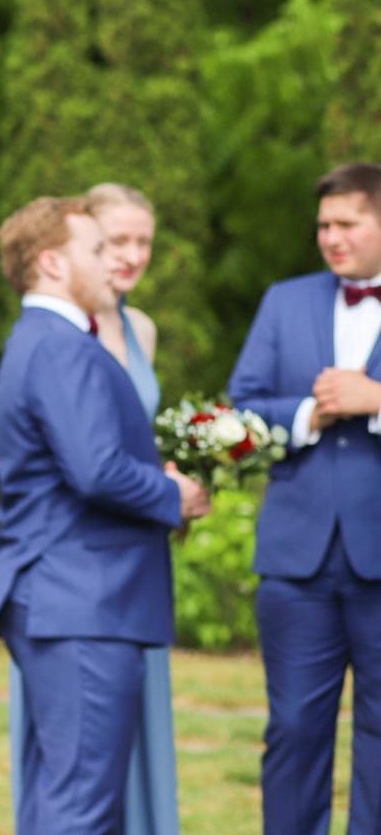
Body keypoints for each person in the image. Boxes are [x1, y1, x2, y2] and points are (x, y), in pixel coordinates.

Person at [0, 196, 210, 833]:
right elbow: (96, 469)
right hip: (82, 598)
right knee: (81, 807)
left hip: (68, 597)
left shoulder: (43, 340)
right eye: (96, 249)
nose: (111, 262)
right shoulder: (62, 347)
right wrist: (175, 496)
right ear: (53, 263)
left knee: (61, 798)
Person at [228, 162, 381, 835]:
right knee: (292, 729)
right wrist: (306, 416)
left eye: (347, 223)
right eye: (323, 225)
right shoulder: (283, 302)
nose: (331, 237)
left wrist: (375, 400)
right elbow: (241, 410)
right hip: (297, 562)